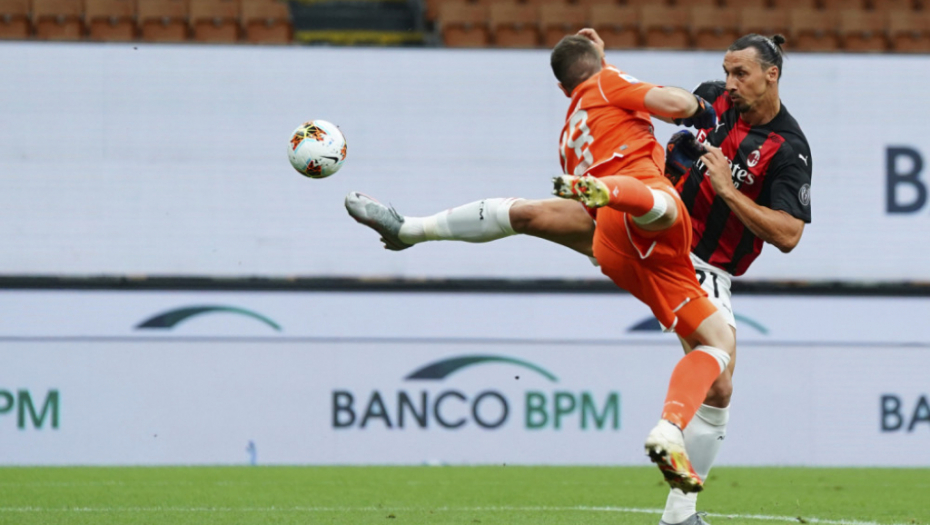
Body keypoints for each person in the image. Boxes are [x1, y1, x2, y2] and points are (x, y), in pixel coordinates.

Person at [347, 32, 739, 498]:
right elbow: (673, 103)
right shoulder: (608, 82)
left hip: (609, 245)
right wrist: (700, 108)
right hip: (633, 210)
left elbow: (600, 102)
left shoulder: (570, 130)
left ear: (560, 88)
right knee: (666, 211)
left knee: (711, 341)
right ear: (600, 65)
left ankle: (412, 229)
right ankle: (611, 191)